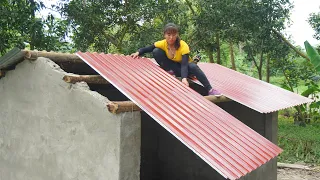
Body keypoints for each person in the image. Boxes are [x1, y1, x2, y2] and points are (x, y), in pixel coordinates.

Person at [130, 23, 221, 96]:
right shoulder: (163, 43)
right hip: (174, 68)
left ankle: (210, 89)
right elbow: (149, 48)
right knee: (156, 51)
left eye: (174, 35)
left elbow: (185, 64)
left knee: (193, 65)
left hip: (187, 70)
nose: (171, 37)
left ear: (177, 35)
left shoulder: (183, 45)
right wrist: (138, 52)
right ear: (164, 35)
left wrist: (184, 79)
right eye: (168, 34)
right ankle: (170, 71)